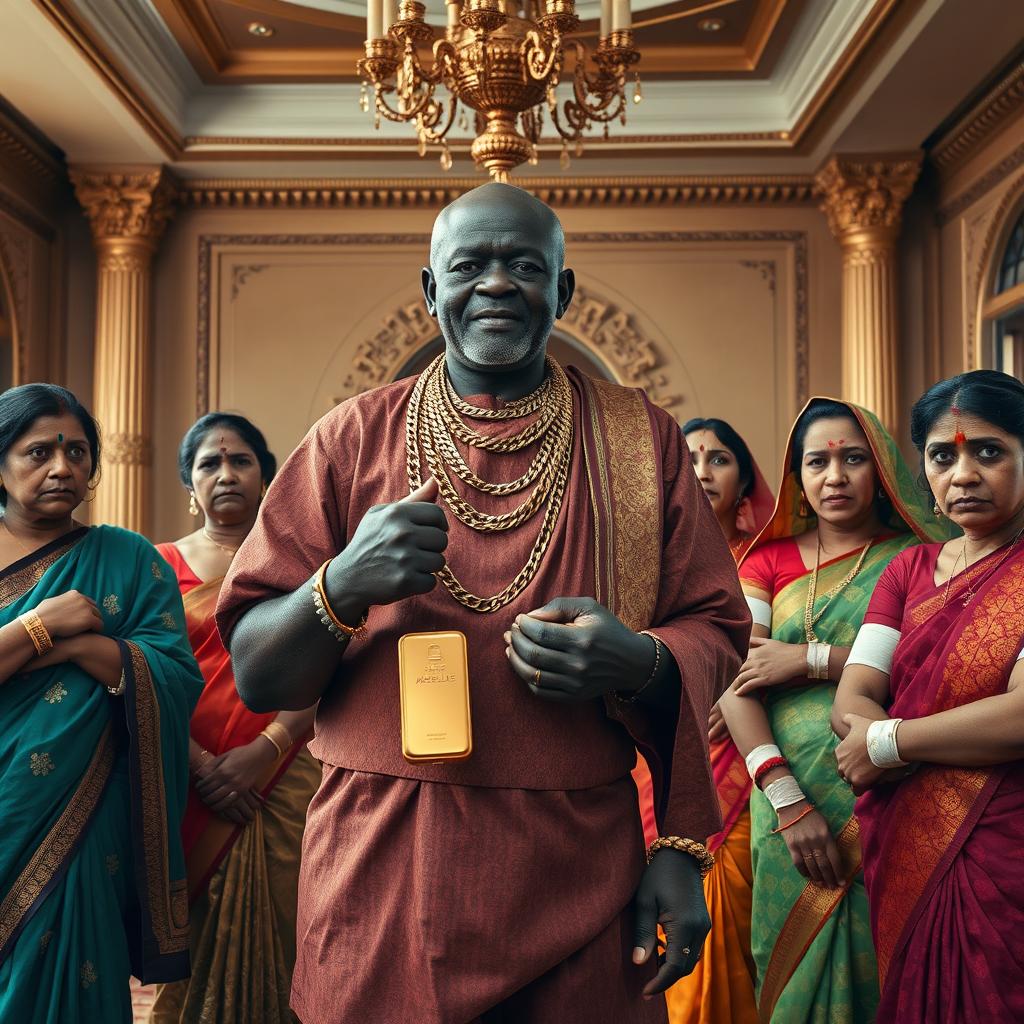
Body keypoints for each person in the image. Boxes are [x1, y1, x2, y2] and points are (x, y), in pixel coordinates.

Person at [215, 182, 750, 1023]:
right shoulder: (351, 438)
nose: (497, 284)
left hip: (580, 867)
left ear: (561, 292)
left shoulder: (641, 440)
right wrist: (343, 583)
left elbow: (716, 628)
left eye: (525, 266)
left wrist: (641, 661)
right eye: (469, 265)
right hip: (384, 865)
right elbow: (255, 672)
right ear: (432, 290)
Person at [718, 398, 945, 1024]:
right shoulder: (768, 561)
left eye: (853, 459)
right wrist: (786, 800)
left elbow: (940, 665)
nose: (835, 477)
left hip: (892, 790)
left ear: (883, 471)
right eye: (817, 462)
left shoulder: (921, 558)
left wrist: (806, 659)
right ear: (798, 475)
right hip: (787, 801)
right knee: (792, 987)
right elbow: (737, 680)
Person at [0, 383, 202, 1023]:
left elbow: (173, 674)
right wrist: (41, 624)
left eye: (78, 452)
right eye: (38, 452)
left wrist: (76, 647)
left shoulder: (127, 559)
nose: (63, 468)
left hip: (82, 825)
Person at [833, 370, 1024, 1023]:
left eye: (989, 452)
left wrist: (885, 741)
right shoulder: (908, 571)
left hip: (1005, 846)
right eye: (944, 456)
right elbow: (857, 692)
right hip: (906, 836)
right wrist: (865, 728)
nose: (964, 473)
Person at [149, 413, 318, 1024]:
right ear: (188, 487)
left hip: (289, 772)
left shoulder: (302, 564)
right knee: (193, 936)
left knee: (293, 919)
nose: (226, 474)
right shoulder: (155, 567)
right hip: (187, 779)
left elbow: (335, 662)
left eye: (241, 461)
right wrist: (201, 765)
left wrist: (266, 750)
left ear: (267, 478)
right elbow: (143, 676)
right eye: (209, 464)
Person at [664, 418, 773, 1024]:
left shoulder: (771, 562)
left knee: (724, 901)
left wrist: (732, 691)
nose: (703, 469)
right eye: (690, 457)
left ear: (745, 478)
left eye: (720, 458)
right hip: (653, 757)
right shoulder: (642, 561)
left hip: (743, 761)